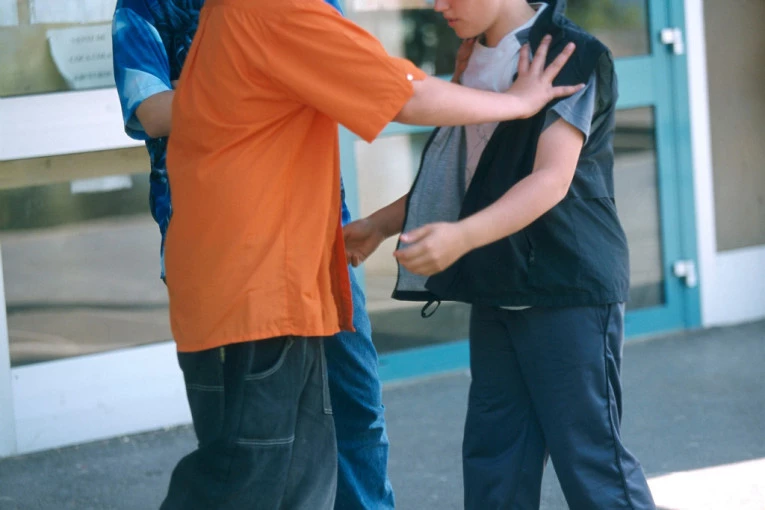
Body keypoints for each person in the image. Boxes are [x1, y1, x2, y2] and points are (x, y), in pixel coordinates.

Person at [115, 0, 580, 507]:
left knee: (300, 474)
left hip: (269, 280)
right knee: (246, 481)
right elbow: (404, 95)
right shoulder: (273, 9)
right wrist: (517, 102)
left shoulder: (237, 11)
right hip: (257, 287)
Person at [343, 0, 657, 508]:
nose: (438, 6)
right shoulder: (471, 58)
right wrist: (379, 226)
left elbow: (551, 179)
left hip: (568, 288)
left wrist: (461, 238)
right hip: (498, 287)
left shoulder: (571, 54)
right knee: (495, 463)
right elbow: (467, 174)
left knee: (591, 462)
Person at [111, 1, 398, 507]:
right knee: (245, 447)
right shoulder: (146, 6)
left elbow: (351, 78)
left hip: (318, 234)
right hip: (224, 253)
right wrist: (262, 83)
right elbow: (151, 111)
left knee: (354, 408)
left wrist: (217, 90)